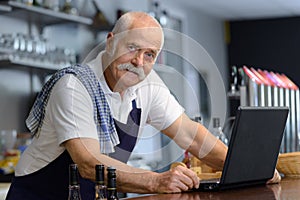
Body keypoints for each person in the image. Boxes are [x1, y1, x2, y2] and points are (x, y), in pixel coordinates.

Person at [6, 11, 280, 200]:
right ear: (111, 42)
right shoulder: (74, 86)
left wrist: (249, 169)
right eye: (132, 48)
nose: (139, 61)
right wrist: (156, 181)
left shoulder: (147, 85)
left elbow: (191, 134)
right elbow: (89, 164)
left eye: (149, 54)